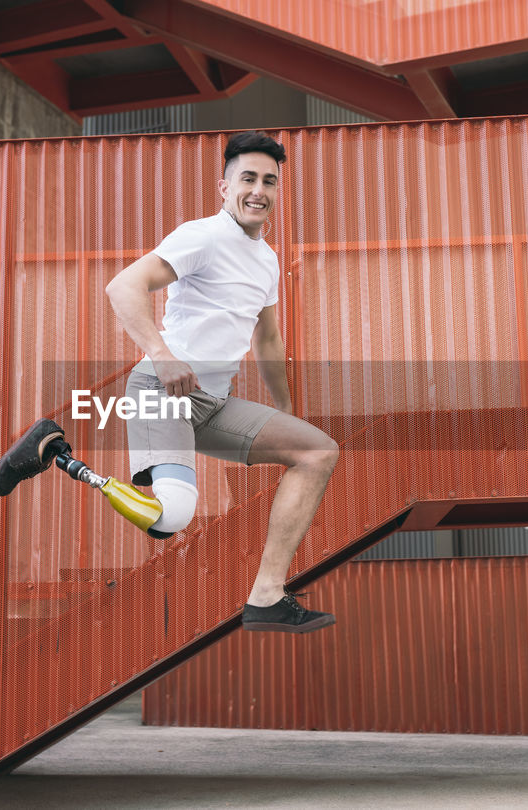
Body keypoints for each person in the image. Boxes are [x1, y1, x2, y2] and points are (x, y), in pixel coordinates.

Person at [104, 131, 340, 634]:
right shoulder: (203, 235)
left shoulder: (267, 258)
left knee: (317, 451)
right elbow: (123, 285)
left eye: (269, 181)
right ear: (224, 186)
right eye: (248, 178)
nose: (259, 190)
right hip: (160, 391)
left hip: (211, 403)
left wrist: (286, 407)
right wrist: (161, 356)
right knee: (173, 515)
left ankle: (266, 597)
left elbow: (268, 340)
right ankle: (56, 453)